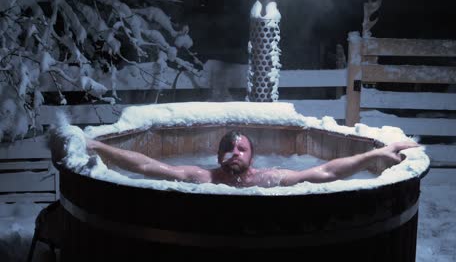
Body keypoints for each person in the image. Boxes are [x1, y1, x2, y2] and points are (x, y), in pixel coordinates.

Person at [86, 130, 419, 188]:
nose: (234, 153)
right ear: (217, 155)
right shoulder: (203, 178)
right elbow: (146, 166)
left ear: (252, 155)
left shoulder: (269, 179)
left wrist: (375, 153)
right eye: (228, 149)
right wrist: (99, 147)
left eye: (241, 149)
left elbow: (326, 172)